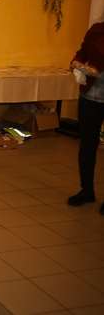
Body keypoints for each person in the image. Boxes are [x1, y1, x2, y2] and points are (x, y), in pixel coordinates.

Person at [67, 20, 104, 215]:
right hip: (90, 97)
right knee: (87, 146)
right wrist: (76, 61)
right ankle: (87, 190)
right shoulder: (97, 30)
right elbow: (83, 51)